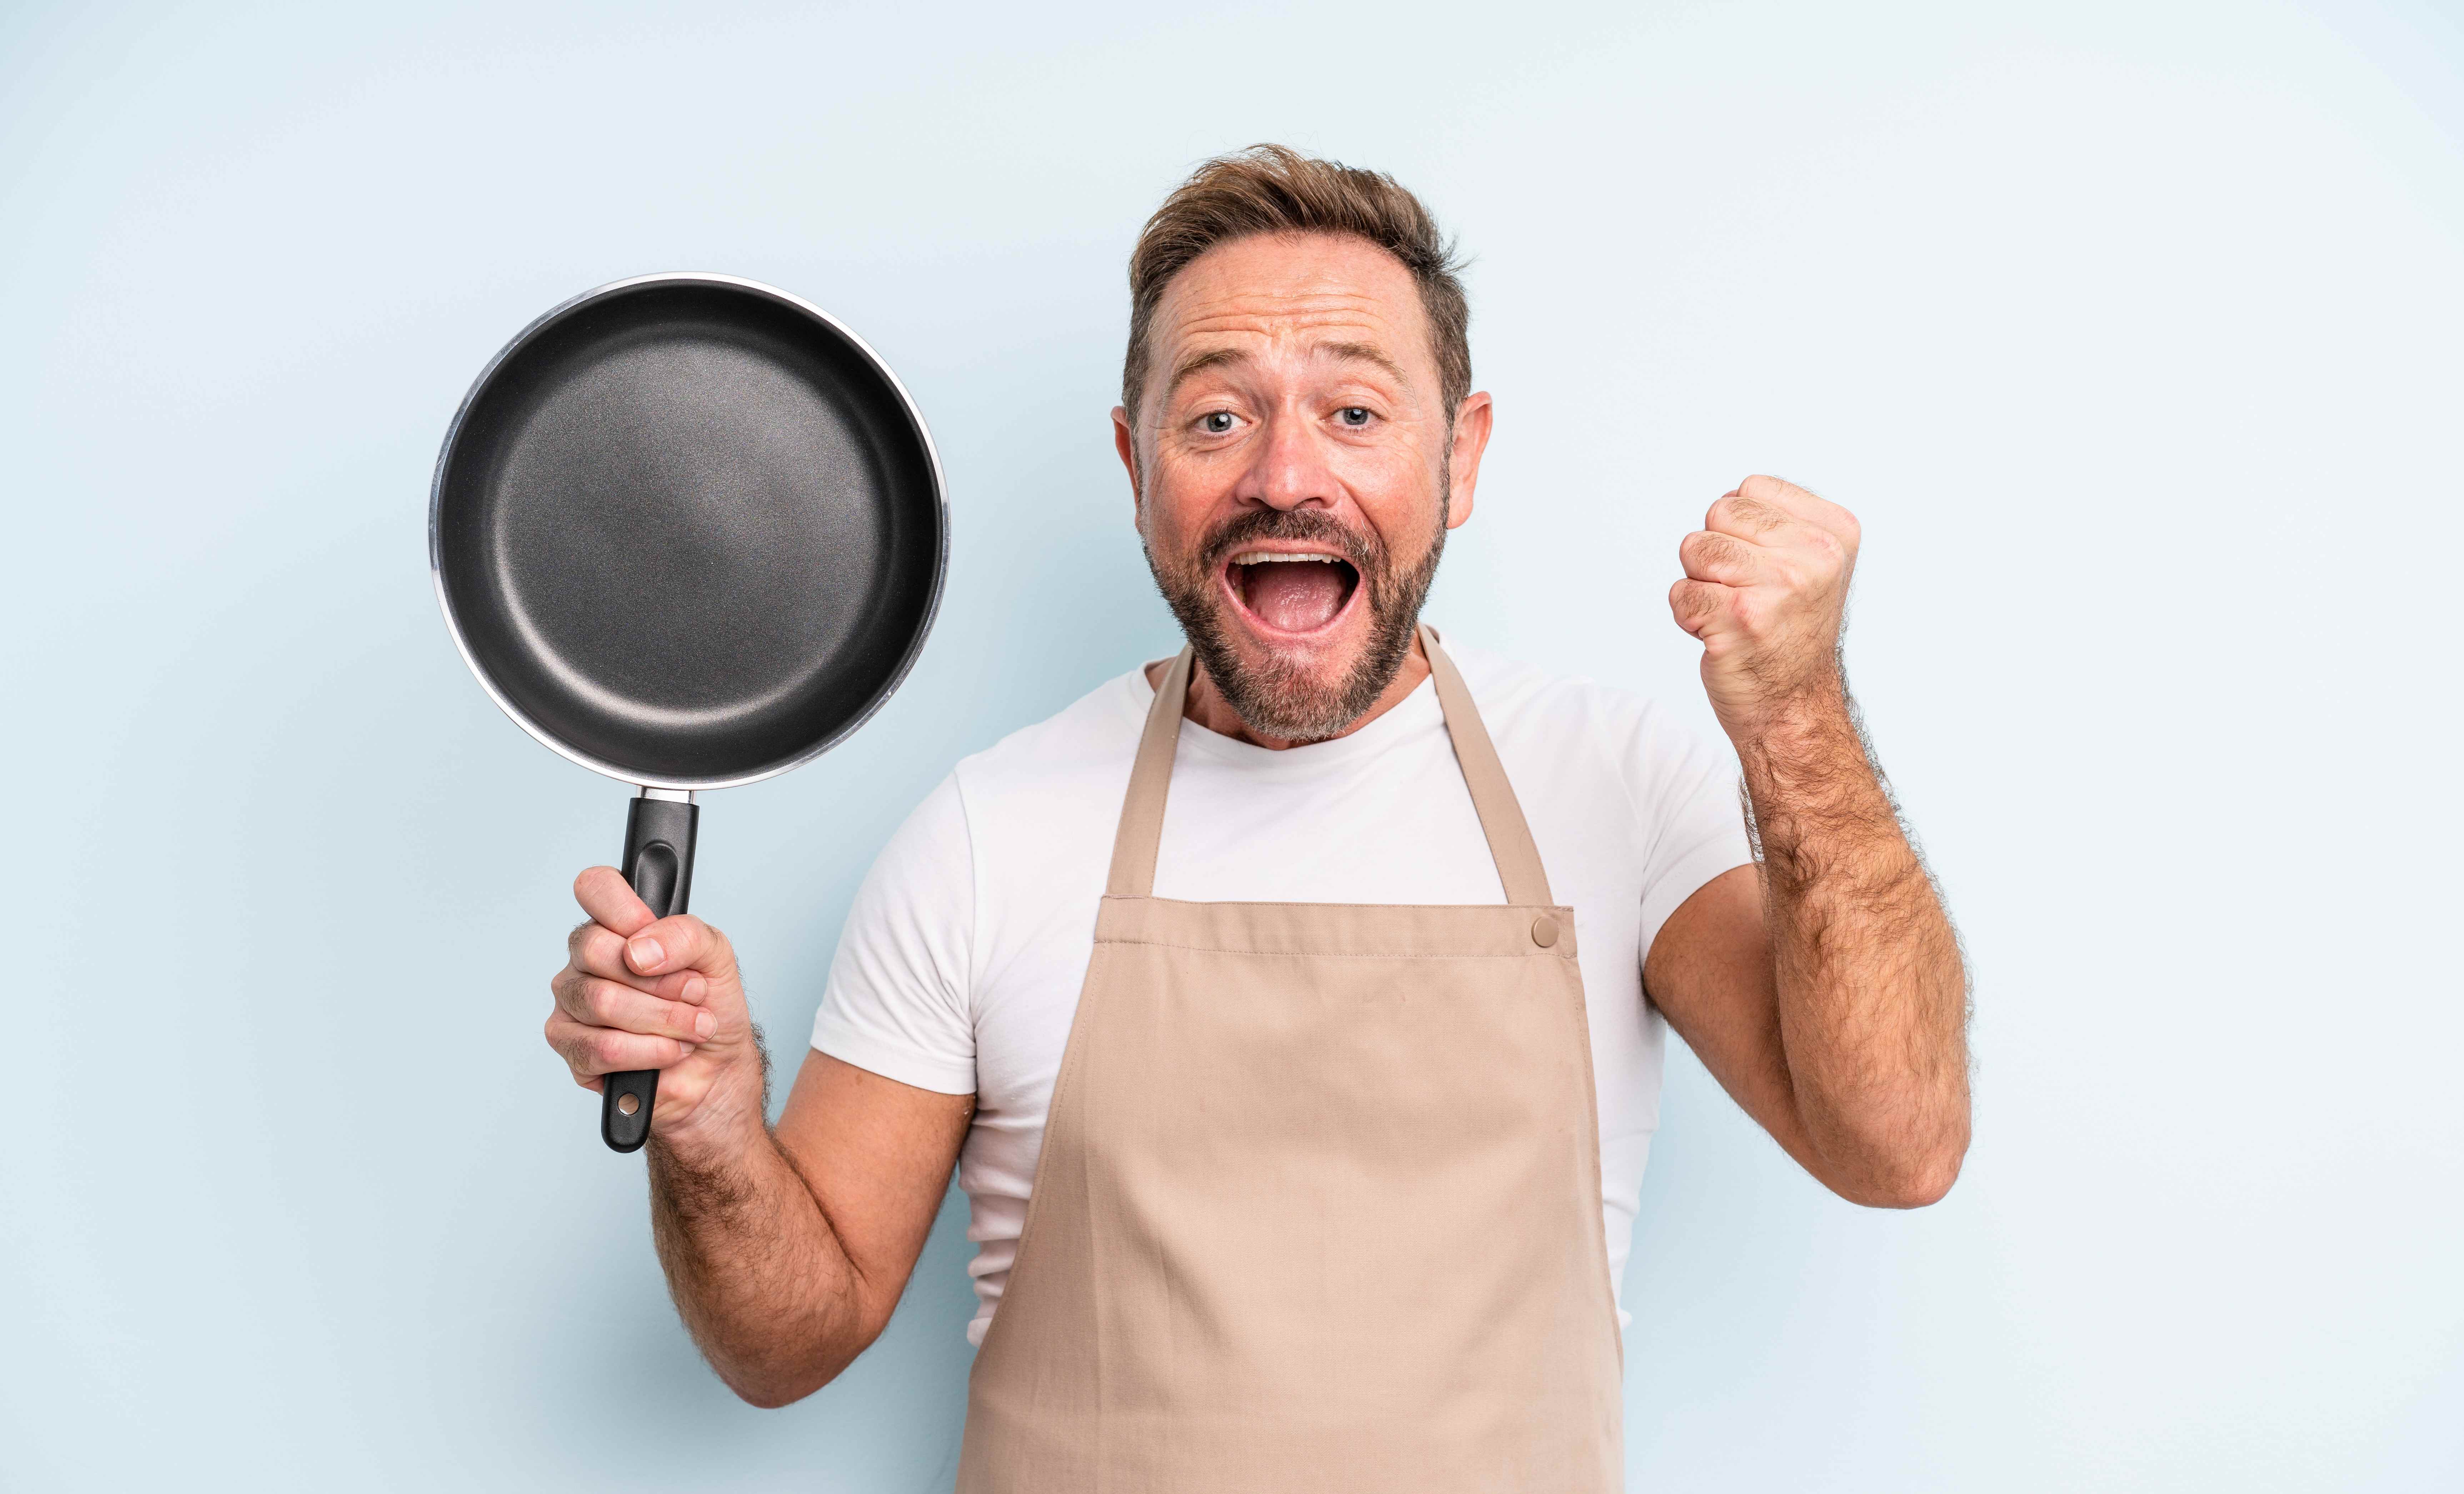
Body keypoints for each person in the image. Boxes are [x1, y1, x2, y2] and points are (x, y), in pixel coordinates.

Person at [542, 144, 1969, 1490]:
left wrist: (1795, 715)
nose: (1286, 474)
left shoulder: (1620, 783)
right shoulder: (993, 831)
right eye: (1218, 415)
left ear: (1462, 457)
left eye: (1356, 411)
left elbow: (1896, 1144)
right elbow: (788, 1342)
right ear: (1135, 463)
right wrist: (718, 1135)